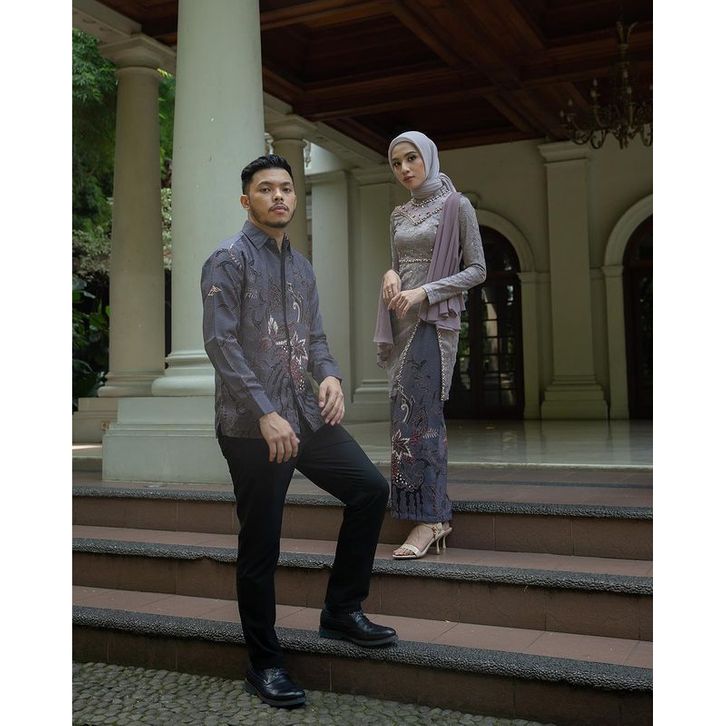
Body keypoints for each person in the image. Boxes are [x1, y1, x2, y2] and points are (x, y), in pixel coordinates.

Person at [202, 154, 397, 710]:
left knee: (370, 490)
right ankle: (264, 663)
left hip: (305, 416)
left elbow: (314, 339)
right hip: (252, 426)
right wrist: (265, 412)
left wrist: (330, 375)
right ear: (247, 200)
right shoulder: (228, 260)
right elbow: (221, 344)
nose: (279, 197)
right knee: (261, 543)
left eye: (286, 188)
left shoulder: (304, 268)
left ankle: (341, 611)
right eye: (266, 189)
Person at [375, 131, 487, 560]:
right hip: (401, 320)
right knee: (402, 419)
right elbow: (398, 264)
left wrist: (426, 292)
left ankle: (433, 518)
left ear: (428, 157)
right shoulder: (398, 214)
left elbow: (477, 269)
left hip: (434, 322)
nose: (404, 169)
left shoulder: (457, 206)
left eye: (411, 158)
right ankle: (416, 511)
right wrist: (390, 274)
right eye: (396, 162)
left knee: (423, 417)